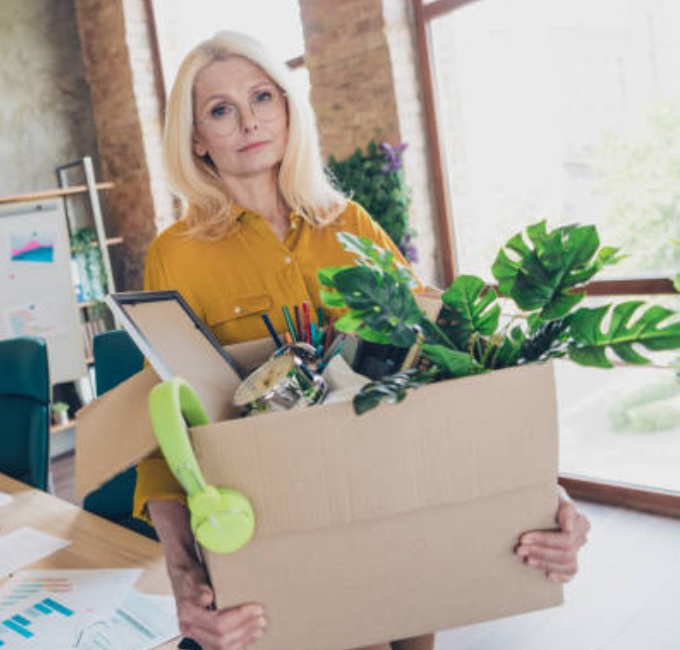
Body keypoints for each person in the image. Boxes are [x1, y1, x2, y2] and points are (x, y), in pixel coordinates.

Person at [134, 31, 591, 650]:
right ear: (195, 137)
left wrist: (543, 495)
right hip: (282, 524)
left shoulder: (345, 223)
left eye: (262, 97)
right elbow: (165, 436)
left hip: (394, 498)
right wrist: (185, 576)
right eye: (220, 110)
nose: (248, 121)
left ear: (288, 106)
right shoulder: (176, 256)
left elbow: (447, 353)